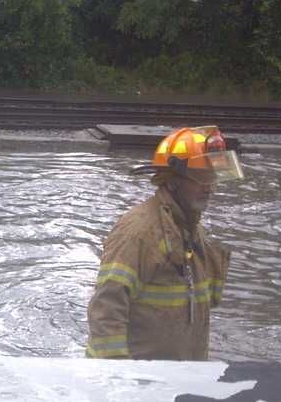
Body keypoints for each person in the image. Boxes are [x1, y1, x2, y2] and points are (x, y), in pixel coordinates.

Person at [86, 125, 244, 360]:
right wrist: (117, 378)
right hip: (141, 380)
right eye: (201, 178)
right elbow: (106, 311)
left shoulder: (191, 229)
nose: (209, 187)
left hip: (180, 377)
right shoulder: (139, 232)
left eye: (212, 177)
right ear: (172, 181)